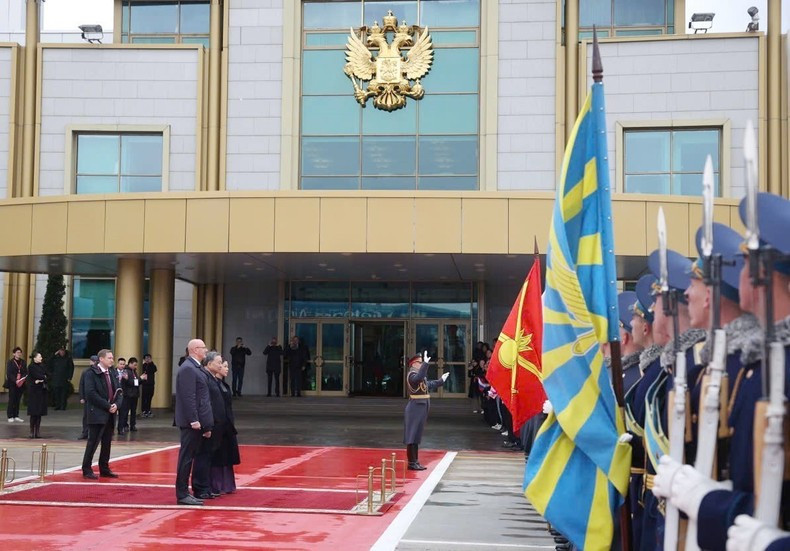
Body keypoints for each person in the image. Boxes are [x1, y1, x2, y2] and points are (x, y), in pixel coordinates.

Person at [174, 339, 213, 506]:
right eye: (203, 348)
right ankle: (182, 493)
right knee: (186, 458)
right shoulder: (188, 368)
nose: (206, 350)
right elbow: (188, 397)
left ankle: (185, 492)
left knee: (189, 457)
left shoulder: (195, 367)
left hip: (197, 421)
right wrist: (194, 419)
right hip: (191, 423)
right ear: (195, 349)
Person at [403, 351, 448, 470]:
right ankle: (411, 462)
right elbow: (419, 378)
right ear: (413, 364)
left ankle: (415, 461)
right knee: (412, 436)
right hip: (415, 408)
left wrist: (441, 381)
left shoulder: (419, 376)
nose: (421, 364)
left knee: (416, 436)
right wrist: (426, 364)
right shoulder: (412, 375)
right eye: (420, 362)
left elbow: (428, 384)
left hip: (421, 407)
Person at [81, 349, 122, 479]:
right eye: (109, 358)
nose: (112, 360)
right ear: (101, 359)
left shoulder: (112, 372)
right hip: (97, 413)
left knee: (107, 442)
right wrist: (107, 406)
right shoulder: (91, 373)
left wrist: (117, 405)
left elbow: (119, 391)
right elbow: (90, 393)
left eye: (112, 358)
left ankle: (104, 468)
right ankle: (86, 469)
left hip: (110, 414)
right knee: (93, 442)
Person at [210, 359, 239, 494]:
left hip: (227, 424)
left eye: (227, 366)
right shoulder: (213, 384)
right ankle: (216, 484)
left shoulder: (224, 385)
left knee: (227, 454)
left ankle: (227, 484)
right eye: (224, 366)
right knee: (218, 455)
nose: (227, 369)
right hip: (218, 424)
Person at [26, 352, 48, 439]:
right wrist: (42, 377)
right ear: (35, 358)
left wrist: (42, 378)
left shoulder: (42, 366)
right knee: (33, 412)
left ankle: (37, 431)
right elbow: (37, 375)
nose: (41, 358)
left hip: (41, 391)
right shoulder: (31, 366)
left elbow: (47, 375)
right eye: (39, 357)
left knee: (39, 412)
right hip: (34, 392)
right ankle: (31, 431)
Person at [77, 355, 98, 440]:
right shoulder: (86, 372)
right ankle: (85, 432)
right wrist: (81, 397)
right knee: (86, 416)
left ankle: (95, 433)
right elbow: (81, 384)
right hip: (87, 397)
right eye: (93, 361)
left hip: (97, 397)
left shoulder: (100, 371)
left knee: (97, 416)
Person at [118, 357, 140, 434]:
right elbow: (129, 382)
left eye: (136, 365)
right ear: (130, 364)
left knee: (133, 411)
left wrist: (141, 379)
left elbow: (136, 382)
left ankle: (132, 425)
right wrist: (139, 379)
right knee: (125, 411)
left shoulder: (134, 372)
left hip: (134, 394)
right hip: (128, 395)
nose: (135, 366)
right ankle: (124, 425)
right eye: (134, 365)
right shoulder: (126, 371)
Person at [6, 347, 27, 423]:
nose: (19, 354)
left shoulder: (23, 362)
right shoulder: (10, 362)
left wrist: (21, 379)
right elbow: (9, 373)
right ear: (14, 354)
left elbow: (25, 372)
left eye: (20, 352)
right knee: (12, 399)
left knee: (18, 400)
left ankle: (16, 415)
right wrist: (15, 380)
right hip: (13, 383)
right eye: (17, 352)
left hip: (20, 383)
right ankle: (10, 416)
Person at [50, 346, 74, 410]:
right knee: (56, 393)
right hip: (56, 379)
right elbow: (49, 362)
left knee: (63, 394)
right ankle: (57, 405)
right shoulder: (56, 358)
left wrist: (69, 377)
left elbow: (71, 368)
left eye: (63, 351)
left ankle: (63, 406)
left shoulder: (68, 358)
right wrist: (54, 355)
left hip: (64, 379)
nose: (62, 352)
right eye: (60, 351)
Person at [140, 353, 157, 417]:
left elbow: (154, 369)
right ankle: (143, 410)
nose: (148, 359)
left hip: (151, 384)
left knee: (150, 397)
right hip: (144, 384)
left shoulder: (152, 365)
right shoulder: (143, 365)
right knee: (144, 398)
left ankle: (148, 410)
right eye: (146, 358)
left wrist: (151, 363)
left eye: (149, 358)